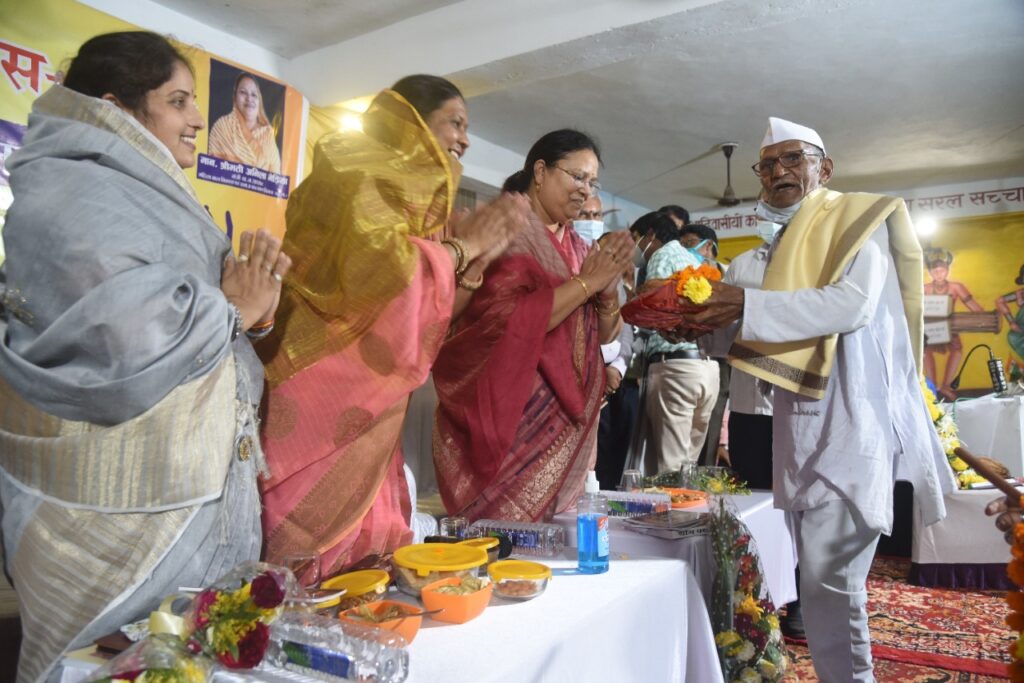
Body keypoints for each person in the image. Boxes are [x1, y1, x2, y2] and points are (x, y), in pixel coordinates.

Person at [0, 32, 291, 683]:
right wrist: (233, 311)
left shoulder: (148, 193)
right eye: (179, 100)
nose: (197, 119)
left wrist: (256, 308)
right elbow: (120, 341)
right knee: (112, 664)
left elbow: (211, 316)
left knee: (183, 660)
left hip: (185, 488)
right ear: (116, 109)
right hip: (113, 515)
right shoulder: (71, 199)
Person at [683, 116, 953, 682]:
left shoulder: (858, 224)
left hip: (850, 429)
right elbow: (756, 336)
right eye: (769, 164)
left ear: (823, 168)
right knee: (821, 584)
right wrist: (698, 326)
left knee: (833, 585)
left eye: (793, 159)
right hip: (801, 435)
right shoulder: (777, 252)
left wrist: (743, 306)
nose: (779, 172)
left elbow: (847, 305)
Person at [257, 75, 528, 575]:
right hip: (321, 368)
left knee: (361, 532)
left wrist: (466, 260)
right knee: (301, 516)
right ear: (412, 124)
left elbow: (427, 315)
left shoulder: (411, 202)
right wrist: (458, 251)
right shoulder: (357, 173)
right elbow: (377, 274)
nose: (465, 139)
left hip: (371, 386)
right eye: (456, 123)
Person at [432, 129, 634, 521]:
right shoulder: (507, 233)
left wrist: (607, 296)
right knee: (501, 539)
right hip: (510, 410)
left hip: (566, 419)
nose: (585, 191)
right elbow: (503, 321)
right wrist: (587, 284)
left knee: (556, 537)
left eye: (592, 182)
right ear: (540, 172)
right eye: (576, 177)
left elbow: (604, 336)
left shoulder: (581, 248)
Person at [643, 214, 721, 475]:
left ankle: (676, 515)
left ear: (649, 236)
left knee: (671, 469)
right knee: (689, 465)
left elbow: (657, 306)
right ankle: (689, 514)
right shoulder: (710, 271)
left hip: (676, 366)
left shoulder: (664, 255)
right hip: (708, 369)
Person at [922, 248, 984, 400]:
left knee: (956, 348)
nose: (939, 274)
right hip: (930, 328)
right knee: (925, 351)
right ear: (930, 272)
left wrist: (983, 315)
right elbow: (916, 309)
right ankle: (934, 387)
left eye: (942, 270)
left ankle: (946, 385)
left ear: (947, 271)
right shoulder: (925, 289)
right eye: (935, 271)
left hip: (949, 327)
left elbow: (972, 305)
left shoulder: (956, 287)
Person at [209, 71, 282, 173]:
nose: (249, 98)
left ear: (259, 101)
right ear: (234, 97)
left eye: (254, 95)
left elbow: (276, 178)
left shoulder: (267, 136)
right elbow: (210, 171)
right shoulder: (221, 128)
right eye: (243, 92)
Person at [995, 262, 1024, 360]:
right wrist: (1011, 321)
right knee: (1013, 337)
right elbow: (999, 301)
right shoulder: (1021, 293)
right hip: (1021, 330)